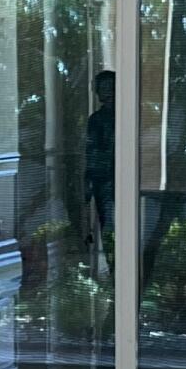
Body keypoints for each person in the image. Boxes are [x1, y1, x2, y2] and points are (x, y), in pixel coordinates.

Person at [82, 67, 116, 260]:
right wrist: (88, 182)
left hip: (124, 179)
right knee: (108, 225)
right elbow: (91, 153)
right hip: (103, 180)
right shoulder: (96, 120)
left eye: (111, 87)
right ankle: (113, 269)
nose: (107, 93)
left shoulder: (129, 116)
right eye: (102, 89)